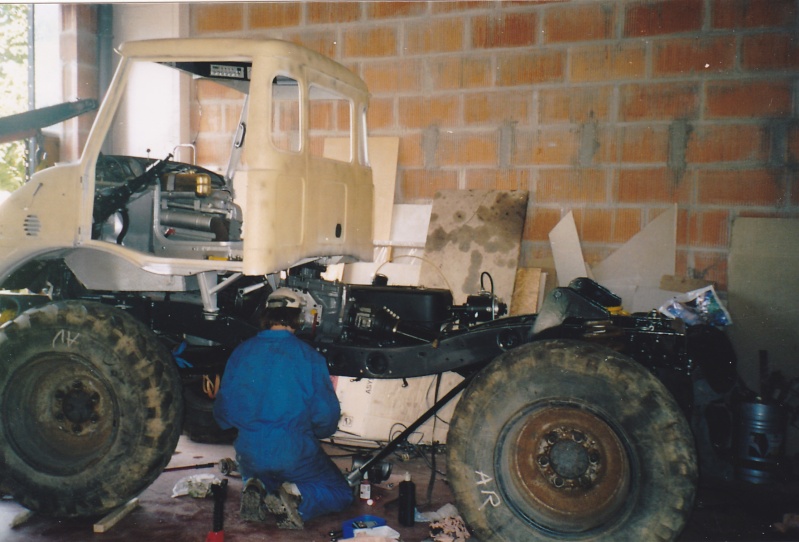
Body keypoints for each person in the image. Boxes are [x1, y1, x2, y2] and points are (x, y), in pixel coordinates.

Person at [213, 288, 353, 529]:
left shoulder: (241, 352)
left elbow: (223, 414)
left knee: (262, 472)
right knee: (340, 493)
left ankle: (256, 485)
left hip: (249, 454)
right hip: (293, 453)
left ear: (265, 314)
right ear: (298, 318)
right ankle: (297, 496)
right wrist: (316, 432)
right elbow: (326, 417)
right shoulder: (309, 357)